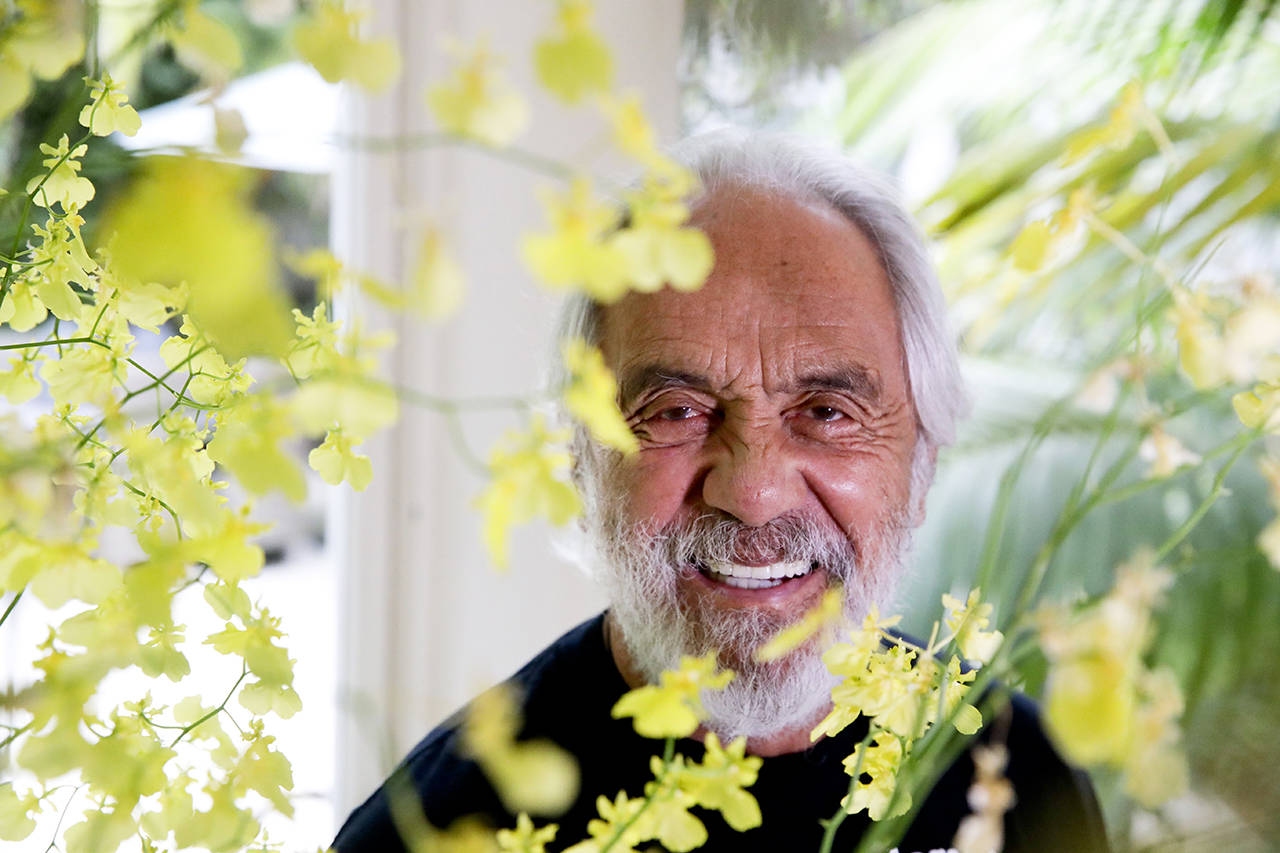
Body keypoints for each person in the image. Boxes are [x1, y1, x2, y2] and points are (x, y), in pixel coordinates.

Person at [333, 131, 1109, 852]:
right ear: (579, 456)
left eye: (827, 412)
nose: (754, 492)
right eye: (676, 411)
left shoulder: (1019, 777)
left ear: (923, 460)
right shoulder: (436, 828)